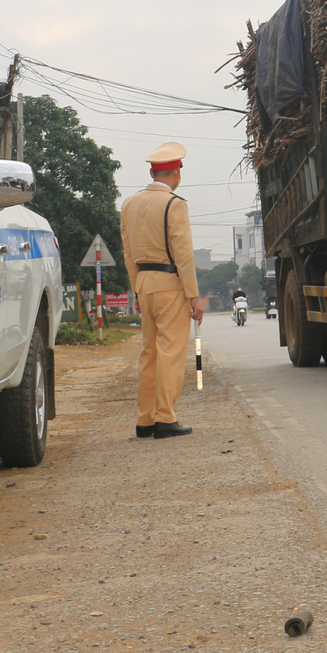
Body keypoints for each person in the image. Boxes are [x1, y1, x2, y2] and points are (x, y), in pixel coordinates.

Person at [118, 142, 205, 438]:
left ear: (152, 171)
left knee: (149, 353)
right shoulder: (174, 203)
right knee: (170, 352)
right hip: (170, 286)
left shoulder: (129, 204)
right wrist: (193, 295)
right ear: (176, 173)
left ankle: (145, 419)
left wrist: (136, 291)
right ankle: (165, 418)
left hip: (145, 284)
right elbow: (184, 254)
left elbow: (128, 253)